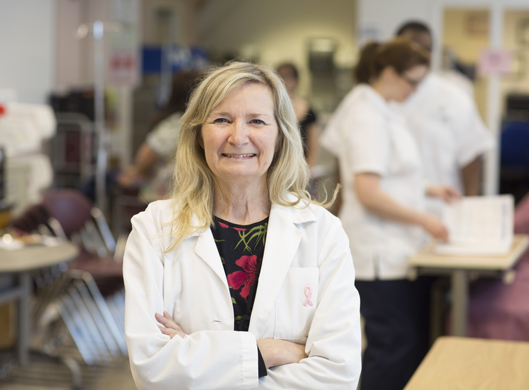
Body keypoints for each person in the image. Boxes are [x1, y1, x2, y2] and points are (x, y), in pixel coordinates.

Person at [123, 61, 361, 390]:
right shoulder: (153, 229)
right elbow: (153, 370)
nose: (238, 136)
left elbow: (338, 375)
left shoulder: (322, 233)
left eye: (257, 121)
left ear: (280, 135)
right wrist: (272, 352)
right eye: (222, 120)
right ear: (198, 134)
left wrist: (199, 357)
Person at [320, 39, 459, 390]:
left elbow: (390, 173)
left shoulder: (383, 106)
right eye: (411, 82)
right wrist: (424, 218)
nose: (414, 91)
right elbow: (368, 193)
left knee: (401, 345)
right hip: (377, 251)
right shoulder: (367, 114)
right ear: (388, 73)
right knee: (393, 349)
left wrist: (429, 189)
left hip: (392, 247)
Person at [396, 21, 494, 216]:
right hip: (389, 212)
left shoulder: (454, 96)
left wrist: (469, 209)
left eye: (428, 49)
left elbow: (472, 152)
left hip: (440, 212)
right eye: (413, 48)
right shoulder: (378, 97)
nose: (421, 56)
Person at [117, 70, 201, 198]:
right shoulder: (201, 122)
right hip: (190, 191)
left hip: (166, 193)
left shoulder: (175, 124)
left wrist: (135, 172)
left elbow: (148, 153)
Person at [276, 63, 320, 168]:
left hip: (299, 169)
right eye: (279, 77)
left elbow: (313, 149)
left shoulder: (308, 111)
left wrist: (307, 173)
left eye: (287, 77)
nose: (282, 81)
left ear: (296, 81)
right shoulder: (269, 109)